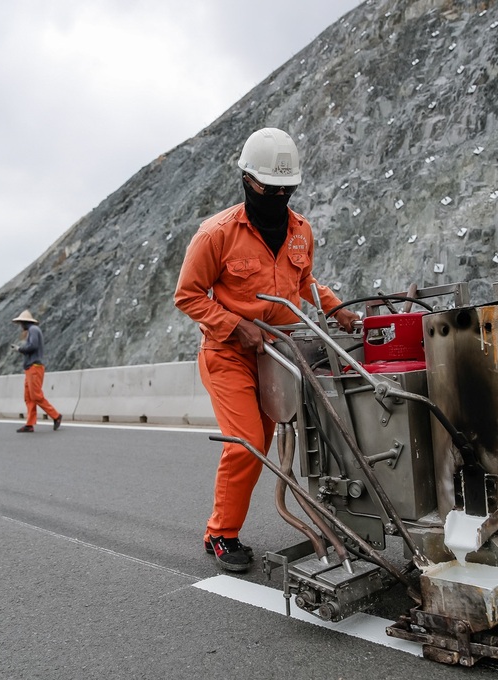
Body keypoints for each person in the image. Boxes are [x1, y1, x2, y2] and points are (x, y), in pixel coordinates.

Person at [174, 127, 357, 572]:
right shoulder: (216, 234)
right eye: (269, 189)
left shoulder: (300, 231)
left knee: (279, 439)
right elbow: (188, 295)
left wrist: (337, 309)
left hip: (277, 356)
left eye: (285, 190)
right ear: (247, 180)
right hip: (228, 354)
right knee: (247, 443)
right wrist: (235, 325)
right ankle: (220, 534)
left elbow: (304, 281)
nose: (278, 197)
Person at [12, 310, 62, 433]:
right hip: (30, 368)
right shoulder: (32, 330)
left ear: (25, 322)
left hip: (34, 367)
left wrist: (20, 349)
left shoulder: (33, 330)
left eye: (21, 323)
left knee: (35, 396)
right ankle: (29, 424)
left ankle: (56, 415)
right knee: (28, 397)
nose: (20, 326)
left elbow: (33, 346)